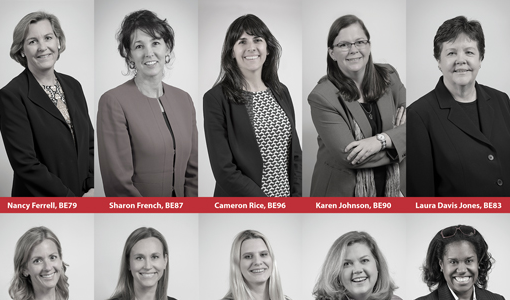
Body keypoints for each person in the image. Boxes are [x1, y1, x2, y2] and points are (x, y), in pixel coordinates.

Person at [97, 10, 198, 197]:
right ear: (128, 55)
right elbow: (118, 184)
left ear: (167, 48)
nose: (149, 53)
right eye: (139, 46)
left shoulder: (185, 100)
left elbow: (193, 173)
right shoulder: (113, 102)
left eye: (156, 43)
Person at [407, 16, 510, 197]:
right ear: (438, 61)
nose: (460, 60)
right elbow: (421, 197)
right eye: (451, 53)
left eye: (469, 52)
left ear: (480, 58)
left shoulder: (502, 100)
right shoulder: (419, 115)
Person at [0, 11, 94, 197]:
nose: (43, 47)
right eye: (32, 41)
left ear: (58, 41)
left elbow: (90, 143)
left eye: (48, 38)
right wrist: (69, 200)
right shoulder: (11, 95)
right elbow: (25, 164)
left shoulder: (73, 85)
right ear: (22, 50)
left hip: (84, 195)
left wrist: (91, 186)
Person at [204, 15, 302, 197]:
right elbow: (224, 169)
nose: (251, 47)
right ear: (232, 52)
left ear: (268, 48)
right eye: (242, 42)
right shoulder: (215, 98)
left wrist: (296, 199)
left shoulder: (282, 92)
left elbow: (295, 154)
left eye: (257, 40)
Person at [309, 15, 406, 197]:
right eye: (344, 45)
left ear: (368, 46)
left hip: (390, 190)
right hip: (343, 193)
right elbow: (351, 157)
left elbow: (418, 124)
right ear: (332, 53)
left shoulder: (389, 76)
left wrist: (380, 141)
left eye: (359, 42)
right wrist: (400, 144)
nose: (353, 50)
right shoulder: (322, 97)